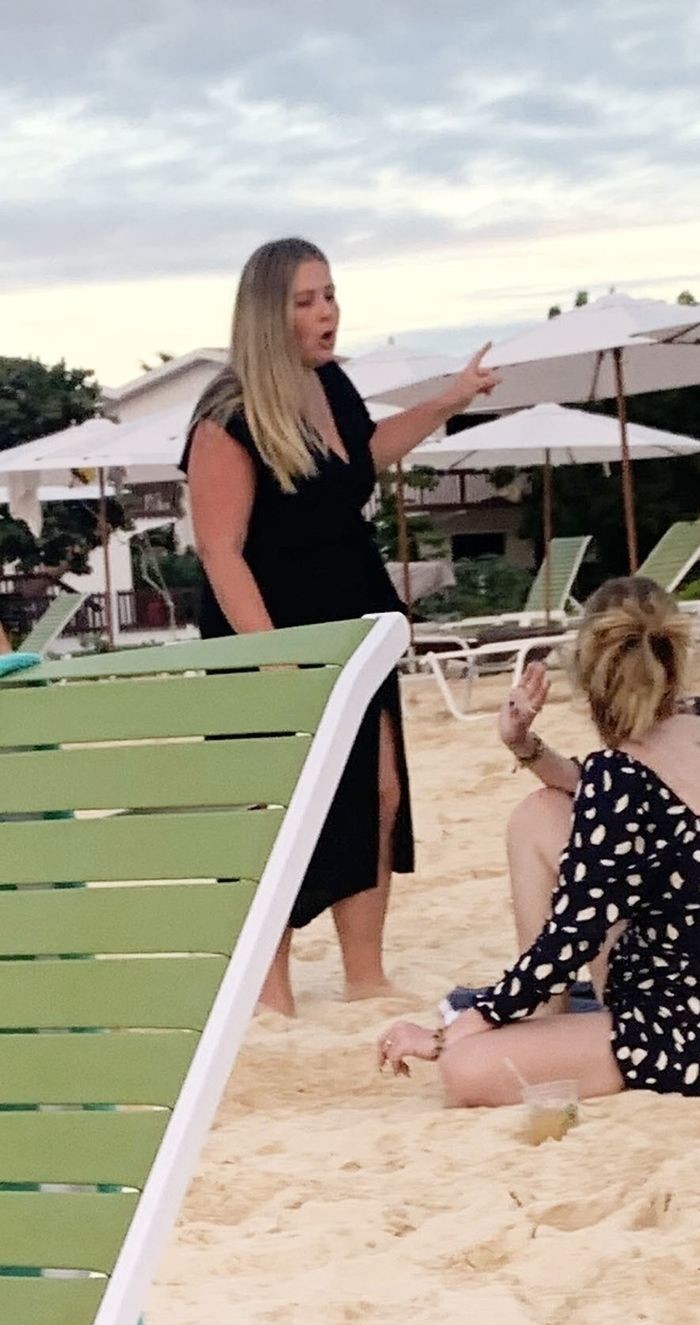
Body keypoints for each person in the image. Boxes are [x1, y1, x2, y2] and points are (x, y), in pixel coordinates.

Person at [183, 237, 497, 1015]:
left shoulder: (330, 384)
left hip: (353, 617)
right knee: (278, 807)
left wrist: (449, 402)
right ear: (268, 315)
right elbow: (220, 550)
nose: (327, 312)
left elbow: (361, 457)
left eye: (329, 294)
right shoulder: (228, 415)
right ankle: (268, 989)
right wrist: (274, 663)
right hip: (271, 629)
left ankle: (365, 973)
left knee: (377, 791)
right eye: (306, 301)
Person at [375, 577, 700, 1104]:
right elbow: (618, 798)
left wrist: (453, 1032)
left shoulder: (619, 777)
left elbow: (572, 937)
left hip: (693, 1027)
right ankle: (543, 1018)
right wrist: (524, 745)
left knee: (466, 1068)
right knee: (542, 813)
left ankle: (537, 1024)